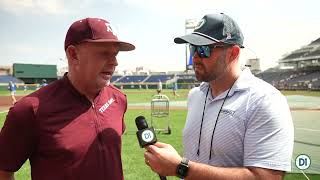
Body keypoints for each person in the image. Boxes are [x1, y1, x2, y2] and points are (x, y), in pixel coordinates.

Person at [144, 13, 294, 179]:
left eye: (203, 49)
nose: (194, 57)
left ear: (233, 53)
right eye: (192, 48)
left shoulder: (264, 101)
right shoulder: (195, 96)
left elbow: (266, 177)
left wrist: (181, 168)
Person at [0, 17, 135, 180]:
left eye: (115, 54)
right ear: (73, 54)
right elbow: (4, 171)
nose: (115, 62)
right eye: (104, 53)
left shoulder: (118, 98)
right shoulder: (29, 110)